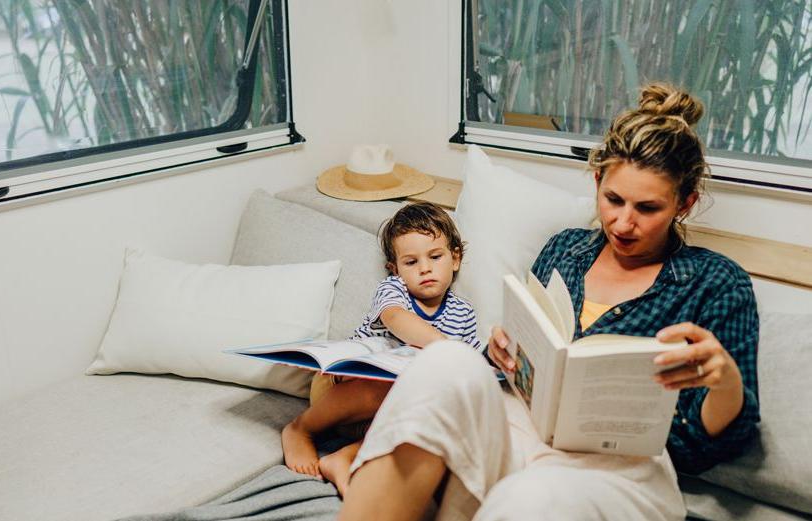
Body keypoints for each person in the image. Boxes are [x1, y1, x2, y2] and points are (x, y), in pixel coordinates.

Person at [340, 84, 760, 521]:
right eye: (613, 199)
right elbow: (516, 360)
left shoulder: (717, 282)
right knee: (445, 360)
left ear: (684, 203)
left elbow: (712, 444)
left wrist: (724, 380)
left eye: (648, 207)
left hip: (621, 469)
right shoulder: (565, 251)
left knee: (532, 498)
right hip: (523, 429)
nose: (623, 221)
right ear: (597, 180)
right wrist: (504, 352)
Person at [281, 202, 484, 496]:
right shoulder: (393, 291)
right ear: (396, 269)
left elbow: (473, 361)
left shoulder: (463, 313)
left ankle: (345, 456)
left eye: (435, 256)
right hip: (342, 387)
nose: (425, 268)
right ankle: (301, 429)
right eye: (411, 262)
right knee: (383, 388)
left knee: (434, 418)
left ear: (455, 259)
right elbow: (396, 319)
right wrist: (446, 348)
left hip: (385, 416)